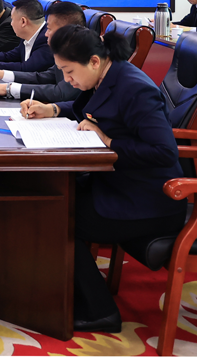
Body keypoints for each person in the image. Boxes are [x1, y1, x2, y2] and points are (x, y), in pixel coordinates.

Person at [21, 24, 186, 332]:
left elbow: (164, 152)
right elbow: (91, 110)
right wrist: (52, 108)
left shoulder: (135, 88)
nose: (67, 80)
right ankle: (69, 288)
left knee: (57, 216)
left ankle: (101, 311)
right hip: (116, 183)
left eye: (69, 72)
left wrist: (108, 141)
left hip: (146, 200)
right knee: (50, 200)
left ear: (94, 61)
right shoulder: (105, 77)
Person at [0, 0, 86, 103]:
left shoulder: (82, 55)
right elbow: (44, 77)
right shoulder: (66, 52)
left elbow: (60, 93)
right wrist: (1, 75)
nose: (46, 33)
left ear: (66, 30)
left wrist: (9, 89)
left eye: (49, 29)